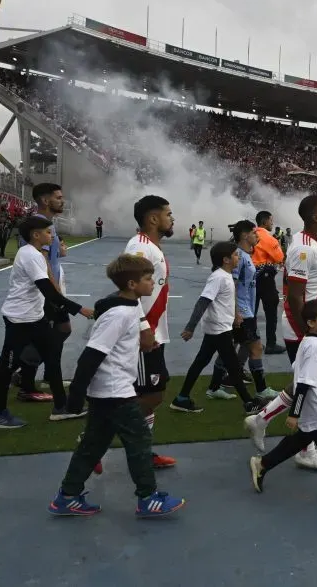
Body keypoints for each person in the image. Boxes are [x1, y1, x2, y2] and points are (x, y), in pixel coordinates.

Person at [49, 254, 186, 518]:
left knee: (93, 445)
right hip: (114, 391)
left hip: (109, 391)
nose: (152, 283)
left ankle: (67, 495)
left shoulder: (130, 307)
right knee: (139, 440)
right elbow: (91, 356)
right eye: (148, 280)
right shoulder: (119, 314)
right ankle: (148, 498)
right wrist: (75, 396)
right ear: (133, 284)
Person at [243, 194, 317, 471]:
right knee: (311, 386)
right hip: (302, 328)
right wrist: (310, 333)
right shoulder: (303, 248)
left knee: (302, 383)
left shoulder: (312, 245)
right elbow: (295, 297)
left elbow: (311, 291)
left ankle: (261, 420)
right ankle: (305, 450)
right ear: (314, 217)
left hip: (308, 325)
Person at [0, 215, 93, 429]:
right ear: (36, 235)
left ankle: (62, 408)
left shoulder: (33, 254)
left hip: (35, 318)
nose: (52, 236)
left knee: (52, 358)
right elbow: (49, 292)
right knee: (6, 366)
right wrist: (79, 309)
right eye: (48, 232)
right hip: (19, 320)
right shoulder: (31, 255)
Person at [249, 299, 317, 498]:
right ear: (310, 323)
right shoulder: (315, 347)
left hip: (313, 404)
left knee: (301, 440)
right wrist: (294, 413)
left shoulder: (309, 342)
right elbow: (305, 383)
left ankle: (262, 464)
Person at [171, 241, 261, 415]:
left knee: (201, 362)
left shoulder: (225, 276)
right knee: (233, 366)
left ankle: (181, 398)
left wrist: (235, 317)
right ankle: (249, 403)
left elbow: (224, 301)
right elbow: (203, 302)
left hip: (219, 327)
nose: (238, 257)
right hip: (219, 330)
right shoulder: (219, 277)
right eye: (235, 255)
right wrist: (190, 328)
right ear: (226, 259)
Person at [124, 195, 177, 470]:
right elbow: (129, 291)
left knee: (149, 394)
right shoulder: (141, 248)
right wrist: (145, 329)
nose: (172, 218)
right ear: (153, 218)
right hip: (145, 335)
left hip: (155, 332)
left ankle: (144, 451)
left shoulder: (151, 247)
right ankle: (97, 435)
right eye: (168, 214)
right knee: (152, 395)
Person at [13, 183, 71, 401]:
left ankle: (44, 374)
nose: (62, 201)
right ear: (46, 201)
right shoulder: (40, 226)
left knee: (61, 330)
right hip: (45, 292)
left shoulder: (47, 225)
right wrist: (56, 292)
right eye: (58, 197)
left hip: (49, 290)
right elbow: (43, 260)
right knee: (47, 335)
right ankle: (25, 379)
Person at [206, 220, 276, 400]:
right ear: (245, 235)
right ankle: (261, 389)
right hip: (243, 312)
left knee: (229, 349)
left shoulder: (244, 255)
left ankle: (214, 387)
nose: (257, 235)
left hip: (243, 310)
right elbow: (233, 285)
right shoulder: (239, 256)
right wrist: (236, 312)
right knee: (256, 348)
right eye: (254, 232)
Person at [252, 210, 286, 355]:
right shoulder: (268, 238)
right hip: (265, 278)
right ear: (265, 222)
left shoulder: (250, 234)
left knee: (250, 313)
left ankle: (251, 342)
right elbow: (279, 257)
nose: (272, 223)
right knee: (271, 313)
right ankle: (271, 344)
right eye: (271, 221)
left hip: (250, 278)